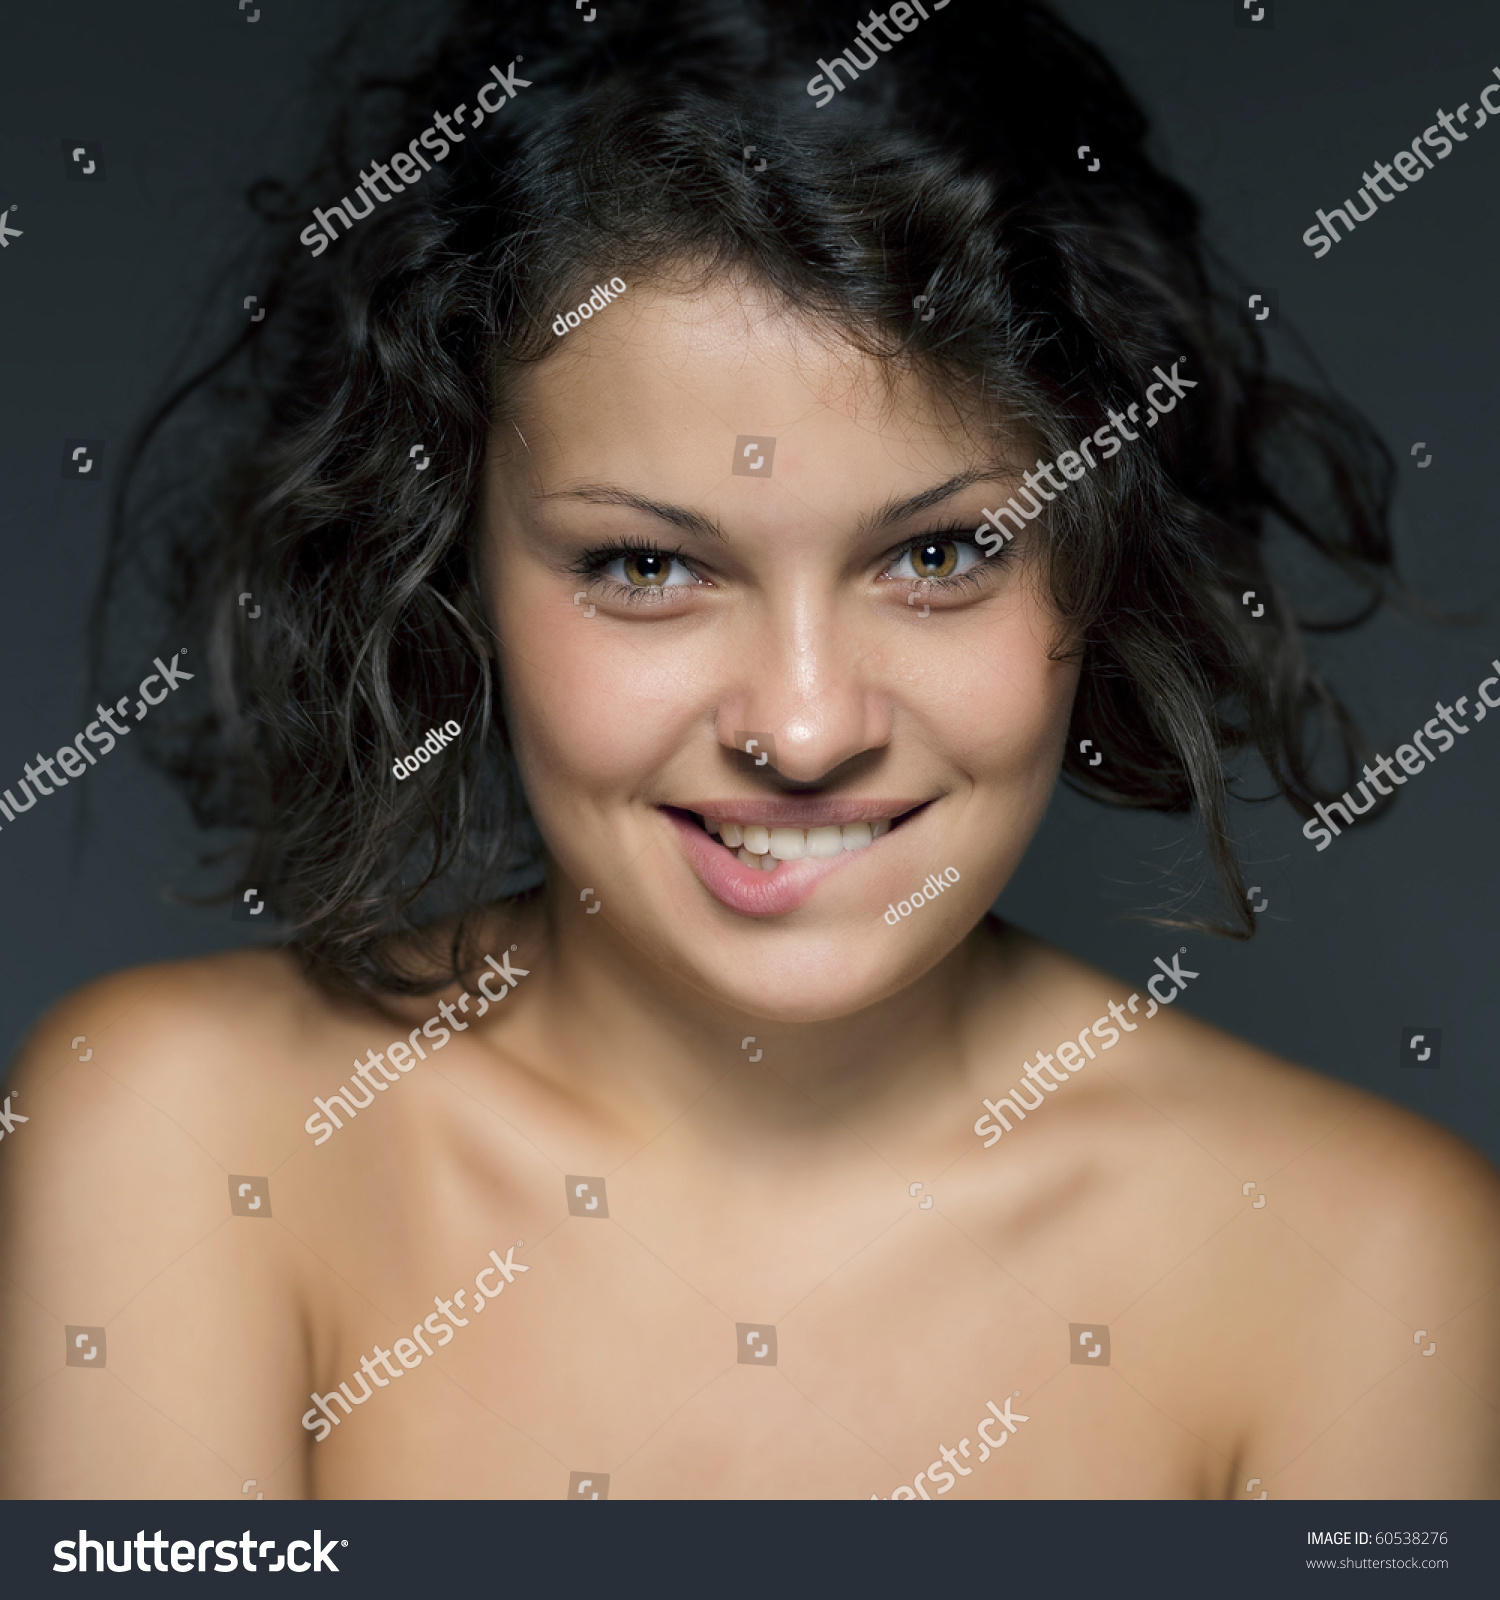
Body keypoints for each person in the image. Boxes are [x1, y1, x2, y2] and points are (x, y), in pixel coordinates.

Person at [2, 0, 1496, 1500]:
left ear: (1101, 561)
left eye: (941, 552)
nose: (799, 726)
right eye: (648, 568)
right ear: (454, 572)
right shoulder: (186, 1141)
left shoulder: (1364, 1263)